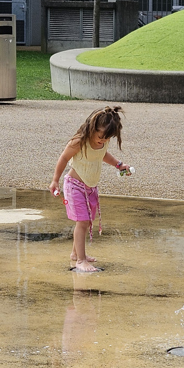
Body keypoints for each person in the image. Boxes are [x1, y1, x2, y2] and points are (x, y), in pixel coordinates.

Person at [48, 106, 130, 273]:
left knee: (86, 221)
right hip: (74, 186)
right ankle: (80, 260)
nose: (102, 141)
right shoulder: (79, 141)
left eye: (107, 138)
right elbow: (64, 158)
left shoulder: (102, 143)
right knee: (83, 221)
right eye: (100, 136)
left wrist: (119, 165)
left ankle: (74, 252)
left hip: (90, 187)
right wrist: (55, 180)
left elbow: (102, 155)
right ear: (92, 128)